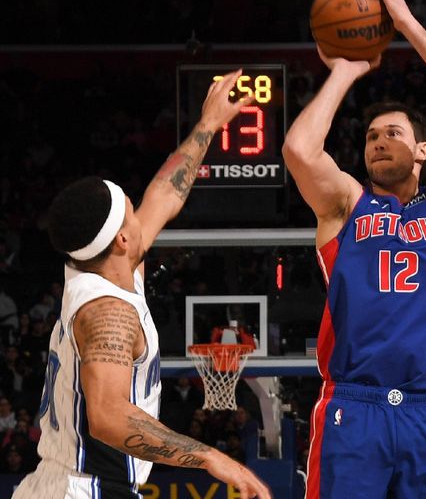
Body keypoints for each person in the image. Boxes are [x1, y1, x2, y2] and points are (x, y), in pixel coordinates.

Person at [13, 71, 272, 499]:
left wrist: (208, 123)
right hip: (86, 489)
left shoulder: (100, 263)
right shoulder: (106, 310)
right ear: (122, 239)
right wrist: (210, 457)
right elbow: (109, 415)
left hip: (72, 483)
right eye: (131, 212)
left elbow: (164, 195)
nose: (141, 213)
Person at [283, 0, 426, 499]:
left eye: (393, 134)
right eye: (372, 136)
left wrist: (406, 24)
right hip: (354, 406)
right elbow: (300, 151)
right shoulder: (346, 206)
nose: (379, 142)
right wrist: (345, 72)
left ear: (423, 150)